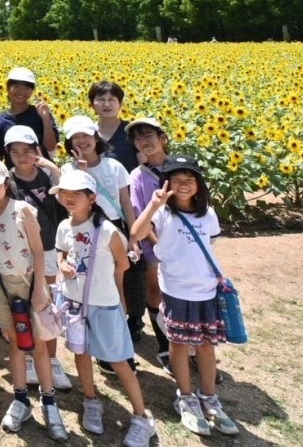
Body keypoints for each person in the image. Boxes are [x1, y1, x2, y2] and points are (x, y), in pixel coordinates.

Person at [129, 156, 239, 437]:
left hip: (206, 289)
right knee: (178, 344)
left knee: (205, 344)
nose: (183, 185)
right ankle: (186, 397)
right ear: (165, 184)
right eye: (175, 180)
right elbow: (137, 233)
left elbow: (209, 246)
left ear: (199, 185)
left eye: (189, 180)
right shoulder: (163, 213)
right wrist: (154, 203)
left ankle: (209, 398)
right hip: (176, 290)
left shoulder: (208, 214)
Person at [0, 156, 68, 440]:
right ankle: (21, 399)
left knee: (40, 346)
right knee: (16, 345)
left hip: (30, 282)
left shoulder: (22, 210)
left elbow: (37, 249)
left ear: (6, 183)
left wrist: (40, 288)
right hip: (2, 287)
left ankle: (49, 401)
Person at [52, 171, 157, 447]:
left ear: (92, 198)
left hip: (105, 304)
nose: (69, 198)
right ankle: (90, 400)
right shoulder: (64, 226)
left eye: (76, 194)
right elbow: (62, 254)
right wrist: (63, 266)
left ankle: (141, 417)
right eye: (65, 193)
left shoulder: (109, 230)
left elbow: (122, 266)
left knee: (119, 361)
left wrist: (121, 299)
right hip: (74, 303)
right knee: (81, 353)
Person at [3, 125, 71, 390]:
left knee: (48, 303)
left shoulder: (47, 176)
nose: (22, 156)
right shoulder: (7, 180)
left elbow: (67, 193)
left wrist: (52, 167)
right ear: (8, 154)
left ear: (37, 152)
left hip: (49, 246)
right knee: (22, 304)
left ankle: (52, 360)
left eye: (27, 151)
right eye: (15, 151)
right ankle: (30, 357)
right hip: (19, 251)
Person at [125, 118, 173, 371]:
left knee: (184, 295)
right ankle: (165, 346)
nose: (144, 141)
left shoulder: (182, 168)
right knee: (155, 293)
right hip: (154, 246)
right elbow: (139, 213)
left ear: (162, 137)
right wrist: (161, 247)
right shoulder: (137, 177)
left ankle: (193, 348)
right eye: (138, 138)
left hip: (184, 246)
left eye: (148, 135)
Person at [0, 67, 58, 161]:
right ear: (8, 88)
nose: (21, 91)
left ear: (32, 91)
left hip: (43, 171)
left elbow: (51, 148)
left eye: (27, 87)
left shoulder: (40, 113)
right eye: (16, 86)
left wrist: (45, 118)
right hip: (14, 173)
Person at [88, 81, 139, 173]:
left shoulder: (132, 131)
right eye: (101, 100)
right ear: (92, 105)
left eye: (111, 99)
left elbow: (143, 165)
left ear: (120, 104)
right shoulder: (88, 133)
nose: (106, 104)